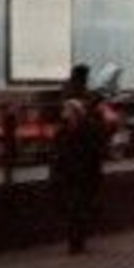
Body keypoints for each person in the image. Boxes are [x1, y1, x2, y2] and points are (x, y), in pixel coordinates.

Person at [49, 97, 108, 253]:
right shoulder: (62, 131)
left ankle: (76, 242)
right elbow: (57, 154)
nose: (64, 113)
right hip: (68, 175)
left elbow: (95, 153)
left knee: (78, 208)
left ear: (75, 112)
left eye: (67, 110)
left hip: (83, 175)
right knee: (74, 208)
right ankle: (75, 242)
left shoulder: (86, 129)